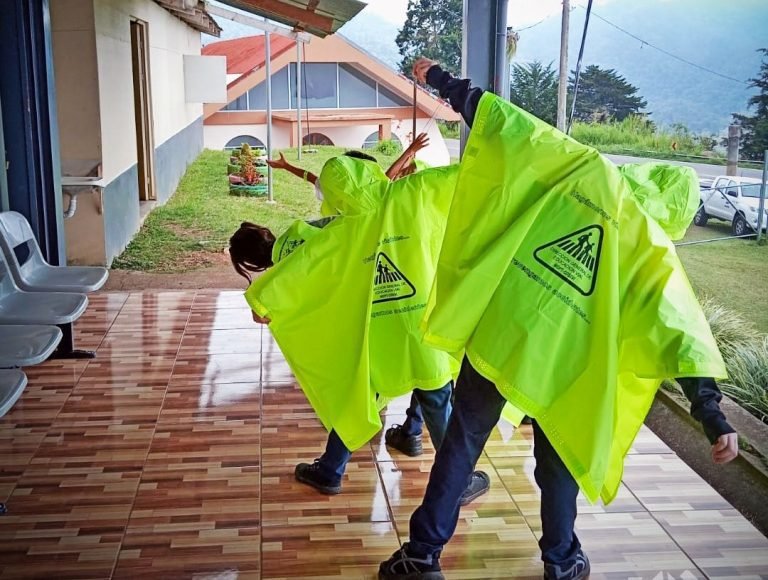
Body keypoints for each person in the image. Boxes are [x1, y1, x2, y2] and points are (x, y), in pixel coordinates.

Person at [377, 58, 739, 580]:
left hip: (502, 334)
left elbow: (496, 116)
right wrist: (711, 414)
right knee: (557, 463)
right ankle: (562, 561)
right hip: (567, 367)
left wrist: (435, 76)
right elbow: (680, 331)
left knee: (461, 443)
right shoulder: (653, 250)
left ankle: (421, 555)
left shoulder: (582, 170)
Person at [229, 146, 490, 505]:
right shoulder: (413, 192)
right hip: (420, 326)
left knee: (356, 398)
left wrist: (264, 300)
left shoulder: (342, 229)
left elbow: (304, 262)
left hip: (371, 335)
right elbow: (467, 177)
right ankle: (456, 480)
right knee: (437, 399)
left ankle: (330, 471)